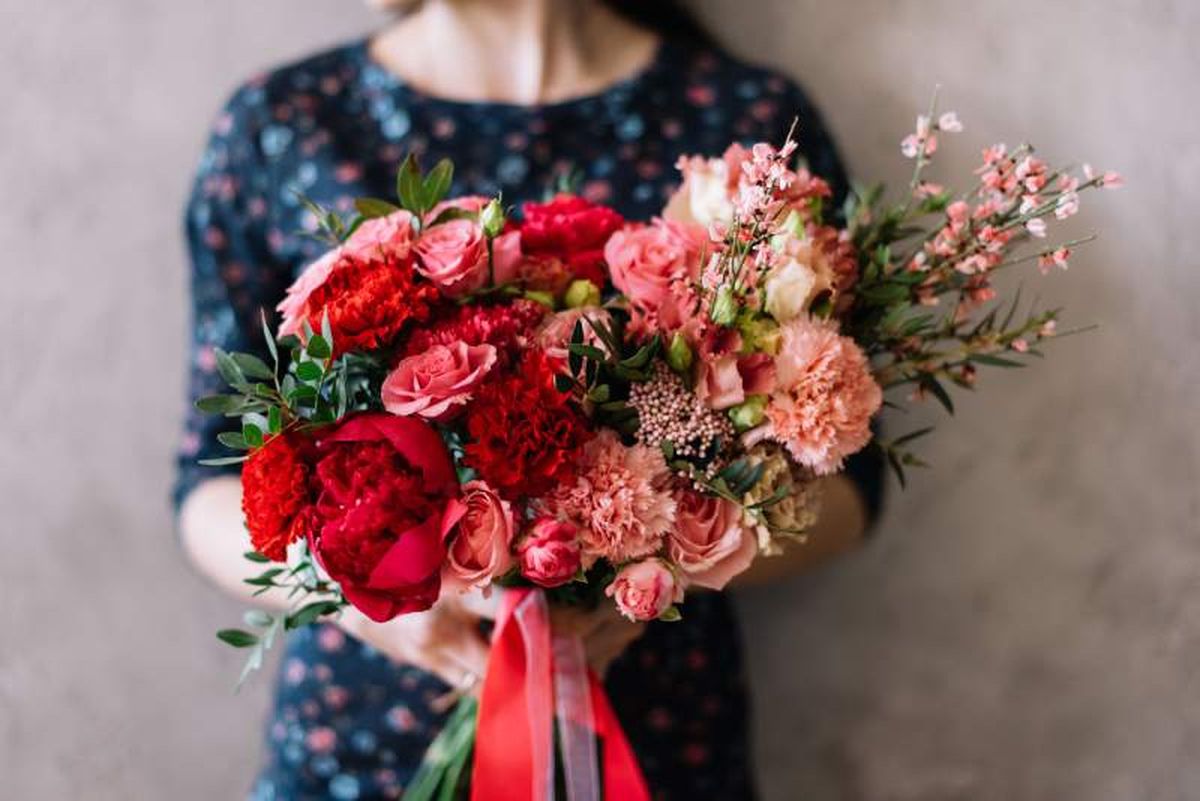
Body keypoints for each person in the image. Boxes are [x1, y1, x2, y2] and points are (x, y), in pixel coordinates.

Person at [177, 1, 884, 798]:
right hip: (365, 745)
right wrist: (358, 591)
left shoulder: (747, 125)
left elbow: (850, 486)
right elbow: (208, 485)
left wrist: (659, 570)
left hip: (655, 735)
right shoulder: (287, 122)